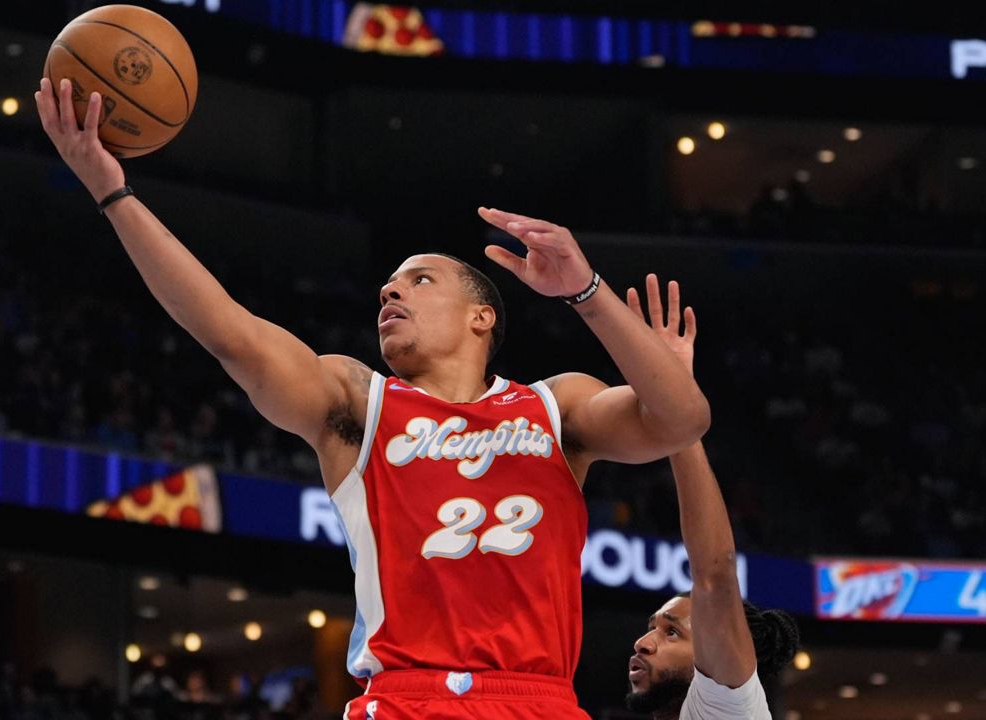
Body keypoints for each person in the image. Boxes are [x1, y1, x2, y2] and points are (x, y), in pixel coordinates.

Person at [35, 80, 711, 720]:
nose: (391, 293)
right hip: (407, 696)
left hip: (537, 698)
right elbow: (230, 333)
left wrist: (585, 290)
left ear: (482, 318)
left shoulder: (558, 407)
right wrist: (113, 191)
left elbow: (682, 420)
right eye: (387, 286)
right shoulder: (358, 401)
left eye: (419, 281)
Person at [622, 277, 800, 719]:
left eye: (672, 634)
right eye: (655, 629)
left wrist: (677, 406)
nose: (644, 643)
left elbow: (714, 573)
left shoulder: (729, 702)